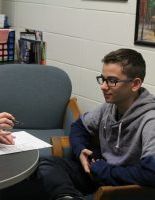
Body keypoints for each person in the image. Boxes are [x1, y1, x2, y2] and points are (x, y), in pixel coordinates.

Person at [38, 48, 155, 200]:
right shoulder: (110, 106)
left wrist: (105, 171)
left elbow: (151, 172)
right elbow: (79, 126)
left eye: (112, 81)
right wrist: (80, 150)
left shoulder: (150, 120)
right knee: (48, 163)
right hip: (99, 175)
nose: (103, 86)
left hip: (125, 188)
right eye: (103, 79)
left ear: (135, 84)